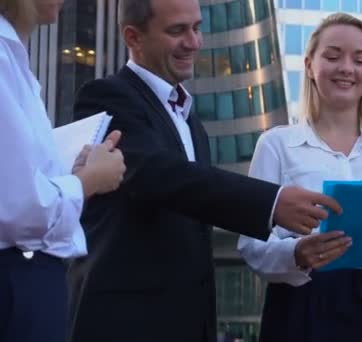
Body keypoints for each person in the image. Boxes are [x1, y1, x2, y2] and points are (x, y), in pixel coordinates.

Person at [66, 1, 342, 341]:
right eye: (177, 31)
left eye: (197, 28)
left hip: (187, 322)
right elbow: (163, 176)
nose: (194, 42)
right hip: (125, 322)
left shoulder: (190, 121)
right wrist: (272, 202)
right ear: (133, 37)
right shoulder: (106, 97)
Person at [237, 13, 362, 342]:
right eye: (333, 57)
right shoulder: (276, 144)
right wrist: (297, 254)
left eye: (360, 60)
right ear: (309, 65)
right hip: (304, 302)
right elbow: (251, 246)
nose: (347, 68)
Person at [0, 1, 126, 341]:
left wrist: (70, 175)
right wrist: (87, 181)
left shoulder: (14, 58)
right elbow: (21, 209)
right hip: (17, 278)